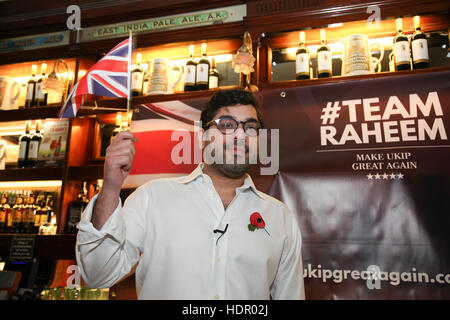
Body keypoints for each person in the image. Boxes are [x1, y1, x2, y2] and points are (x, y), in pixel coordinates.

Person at [75, 88, 305, 300]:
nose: (240, 135)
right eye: (226, 125)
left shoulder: (280, 218)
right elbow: (98, 274)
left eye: (250, 127)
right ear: (203, 135)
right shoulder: (153, 198)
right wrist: (111, 188)